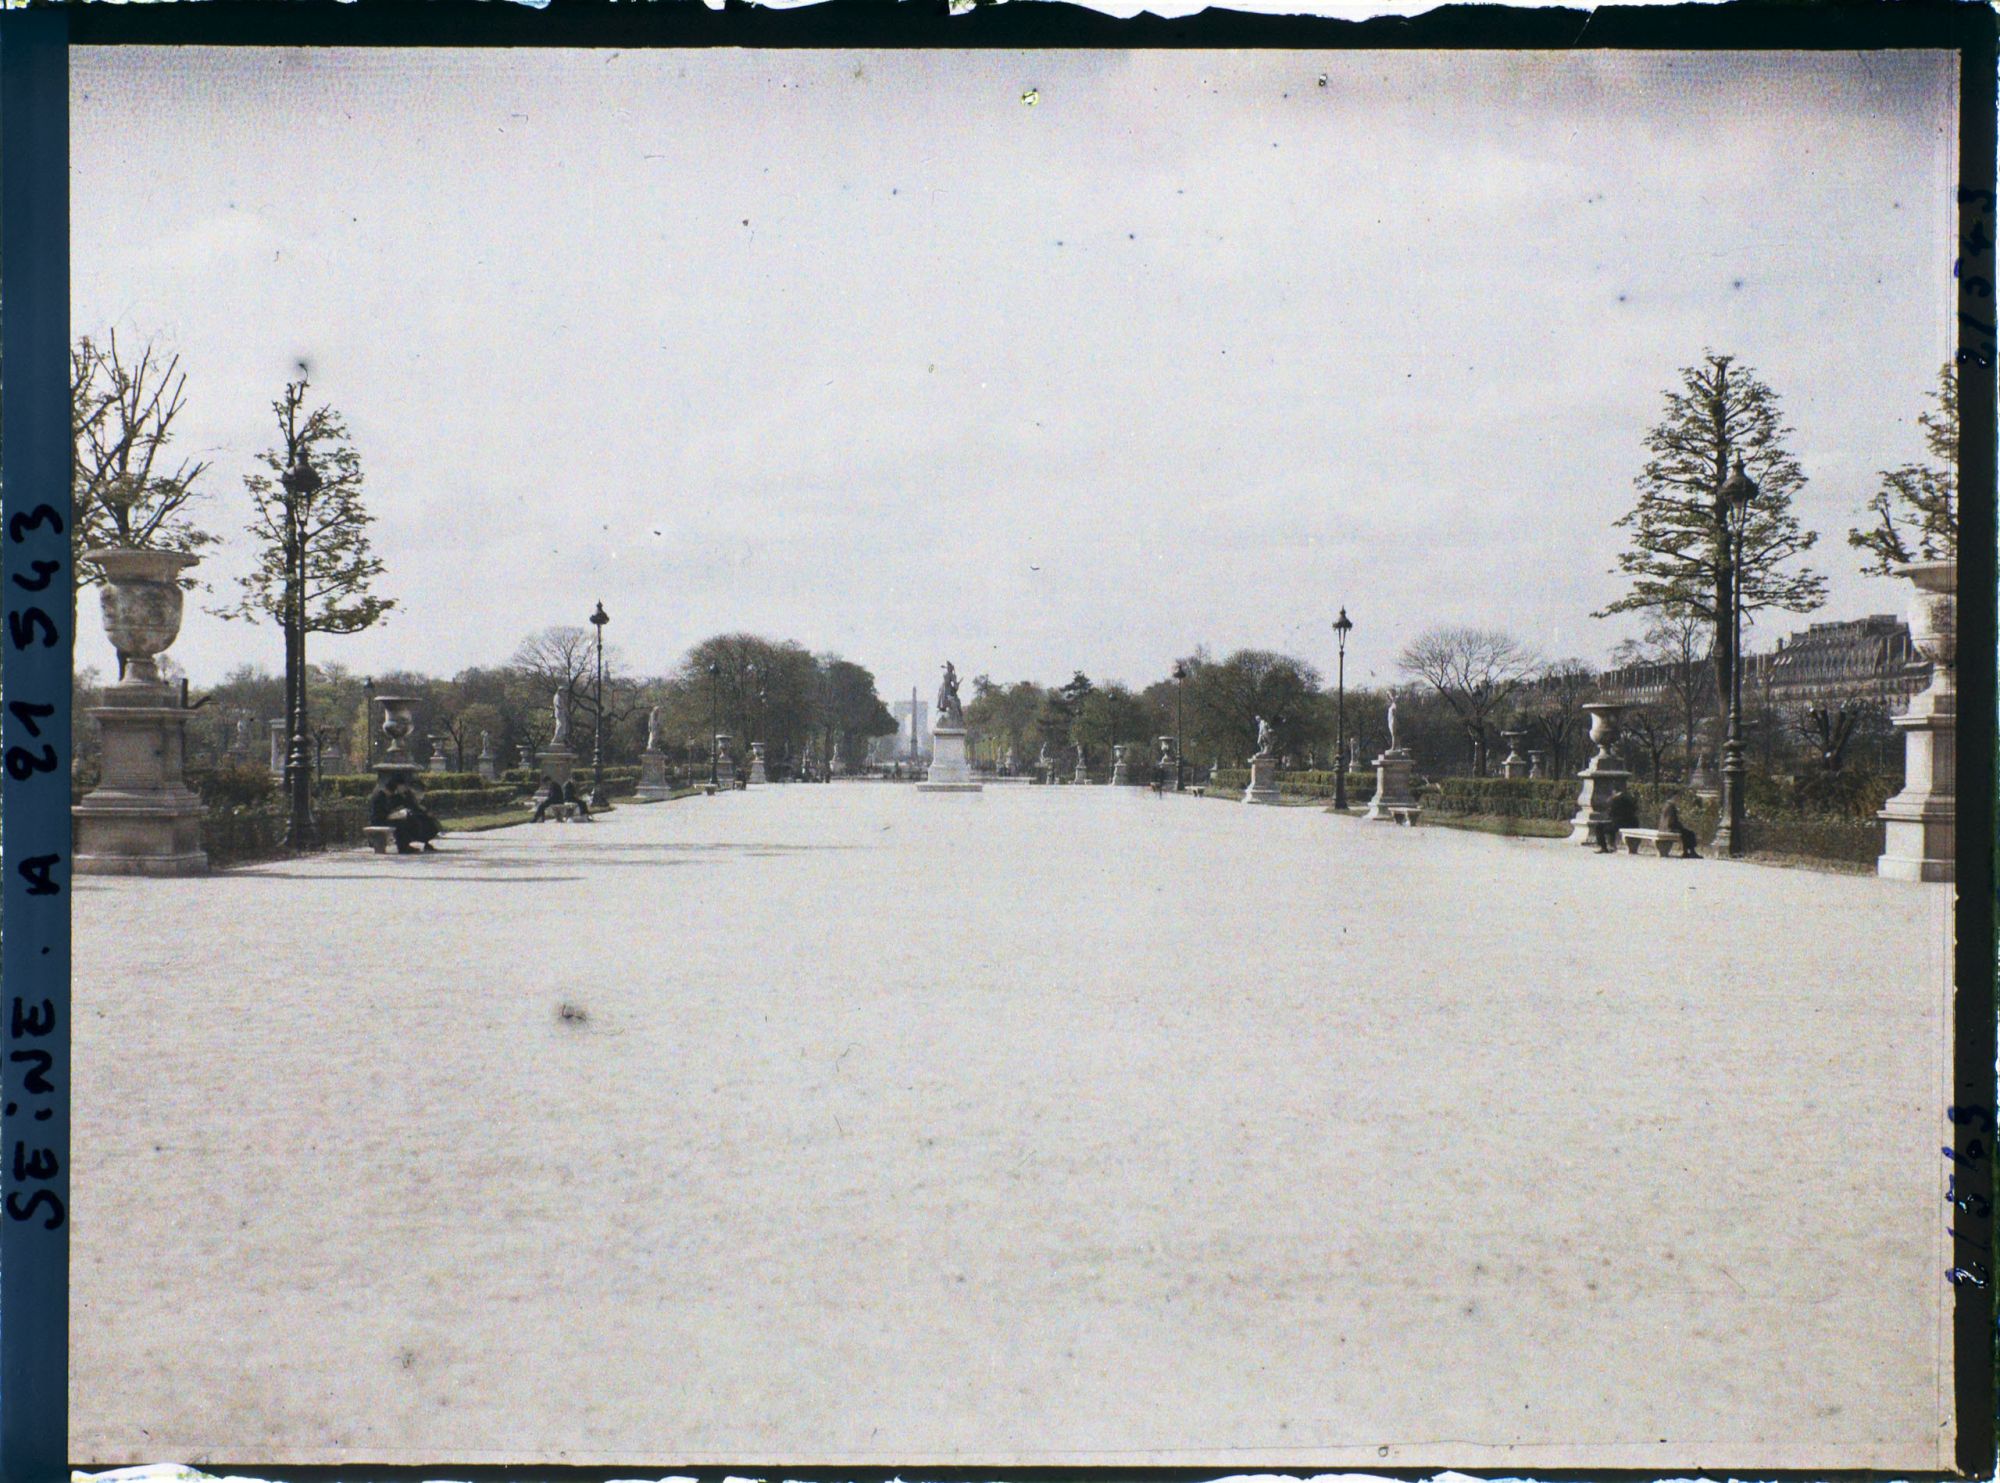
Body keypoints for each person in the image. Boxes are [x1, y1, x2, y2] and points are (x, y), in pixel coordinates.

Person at [372, 776, 441, 853]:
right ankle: (403, 847)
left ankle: (412, 844)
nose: (405, 788)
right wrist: (396, 815)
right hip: (381, 821)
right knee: (403, 824)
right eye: (403, 786)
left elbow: (412, 806)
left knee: (417, 820)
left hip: (392, 819)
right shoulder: (380, 797)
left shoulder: (399, 796)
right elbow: (381, 815)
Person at [1595, 783, 1640, 852]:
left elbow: (1611, 814)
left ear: (1614, 791)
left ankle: (1603, 847)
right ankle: (1612, 845)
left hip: (1620, 823)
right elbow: (1635, 809)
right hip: (1633, 823)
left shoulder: (1615, 800)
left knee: (1599, 827)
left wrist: (1610, 800)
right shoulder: (1629, 797)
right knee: (1611, 826)